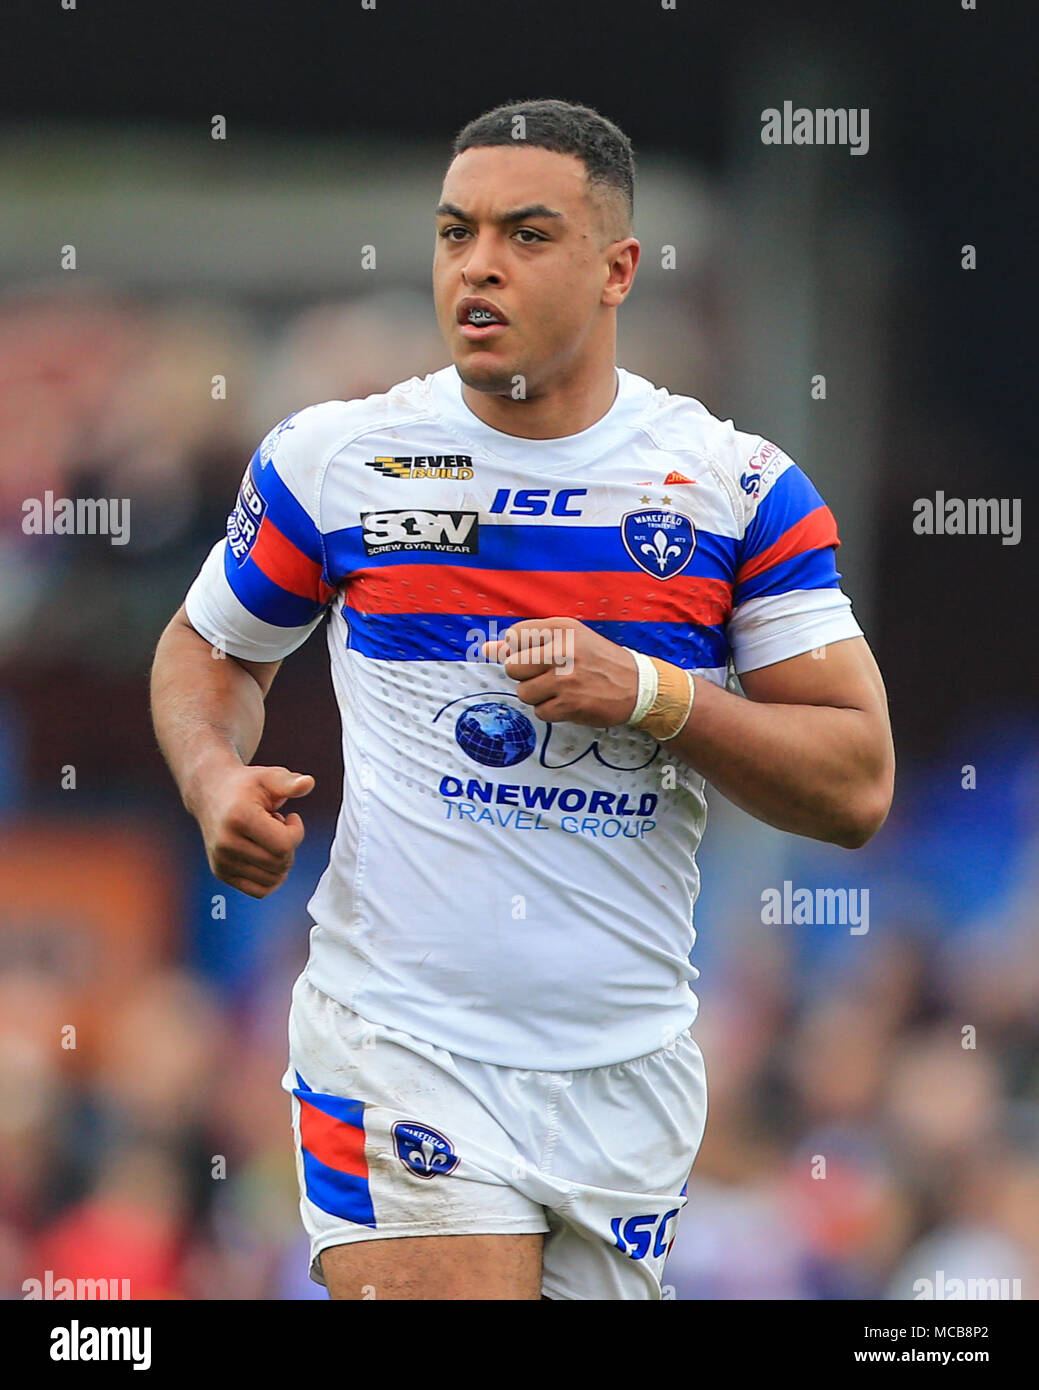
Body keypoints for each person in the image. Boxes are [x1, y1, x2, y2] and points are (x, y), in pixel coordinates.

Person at [150, 98, 895, 1300]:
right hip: (397, 1039)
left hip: (627, 1071)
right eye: (455, 234)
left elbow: (856, 783)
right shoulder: (337, 461)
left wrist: (653, 695)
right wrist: (210, 774)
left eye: (525, 235)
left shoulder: (734, 490)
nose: (477, 264)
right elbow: (209, 650)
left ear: (617, 270)